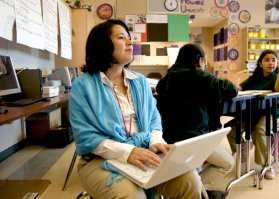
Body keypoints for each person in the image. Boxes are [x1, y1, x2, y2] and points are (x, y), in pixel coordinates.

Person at [69, 19, 203, 199]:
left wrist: (156, 141)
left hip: (145, 151)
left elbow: (154, 119)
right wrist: (128, 152)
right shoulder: (83, 86)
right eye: (121, 37)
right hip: (101, 158)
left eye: (129, 37)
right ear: (102, 45)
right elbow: (86, 138)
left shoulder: (139, 81)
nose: (130, 42)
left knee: (190, 182)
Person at [156, 43, 238, 198]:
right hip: (194, 137)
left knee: (196, 168)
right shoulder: (198, 76)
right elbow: (232, 89)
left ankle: (191, 189)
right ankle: (191, 190)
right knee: (227, 163)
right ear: (199, 61)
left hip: (169, 138)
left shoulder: (166, 79)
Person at [227, 50, 279, 179]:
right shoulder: (254, 79)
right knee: (230, 129)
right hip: (252, 113)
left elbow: (278, 89)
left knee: (259, 129)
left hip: (271, 114)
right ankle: (243, 153)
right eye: (267, 60)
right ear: (260, 63)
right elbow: (239, 88)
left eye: (273, 60)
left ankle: (266, 164)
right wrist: (227, 87)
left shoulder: (277, 77)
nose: (271, 63)